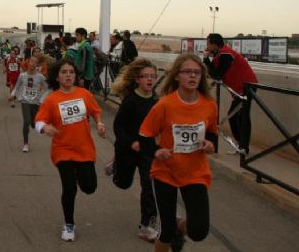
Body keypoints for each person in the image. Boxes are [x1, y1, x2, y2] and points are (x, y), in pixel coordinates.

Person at [139, 54, 218, 252]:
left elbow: (212, 133)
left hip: (195, 173)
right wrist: (157, 151)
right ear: (176, 76)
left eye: (197, 72)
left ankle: (179, 225)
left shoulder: (209, 105)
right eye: (187, 72)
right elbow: (144, 135)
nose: (192, 76)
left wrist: (210, 144)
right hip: (166, 172)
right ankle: (171, 226)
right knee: (165, 231)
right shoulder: (165, 105)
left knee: (199, 231)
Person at [35, 58, 106, 242]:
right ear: (57, 77)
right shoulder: (52, 100)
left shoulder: (84, 94)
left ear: (76, 75)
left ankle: (78, 173)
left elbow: (95, 110)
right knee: (69, 188)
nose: (68, 75)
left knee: (89, 187)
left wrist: (98, 123)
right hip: (63, 150)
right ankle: (69, 224)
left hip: (84, 149)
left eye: (71, 72)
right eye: (64, 72)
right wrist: (45, 128)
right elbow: (39, 121)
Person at [109, 58, 160, 242]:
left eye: (153, 76)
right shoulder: (130, 101)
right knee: (122, 183)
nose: (149, 80)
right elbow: (118, 127)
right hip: (127, 149)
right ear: (137, 79)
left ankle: (146, 225)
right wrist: (131, 143)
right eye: (145, 76)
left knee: (149, 186)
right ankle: (115, 166)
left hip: (147, 150)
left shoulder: (156, 101)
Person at [203, 33, 258, 155]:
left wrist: (206, 59)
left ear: (214, 44)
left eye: (208, 44)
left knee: (241, 116)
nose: (207, 47)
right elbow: (214, 74)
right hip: (240, 90)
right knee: (235, 116)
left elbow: (217, 74)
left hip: (247, 87)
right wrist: (207, 60)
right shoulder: (220, 55)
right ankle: (241, 146)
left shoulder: (226, 54)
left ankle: (243, 147)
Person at [10, 56, 47, 152]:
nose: (33, 64)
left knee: (34, 125)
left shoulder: (40, 77)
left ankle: (32, 125)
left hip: (35, 102)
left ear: (37, 65)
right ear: (28, 63)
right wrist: (13, 94)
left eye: (35, 62)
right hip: (25, 101)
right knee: (26, 121)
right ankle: (25, 143)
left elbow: (48, 89)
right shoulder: (22, 75)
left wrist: (42, 100)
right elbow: (17, 87)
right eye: (31, 61)